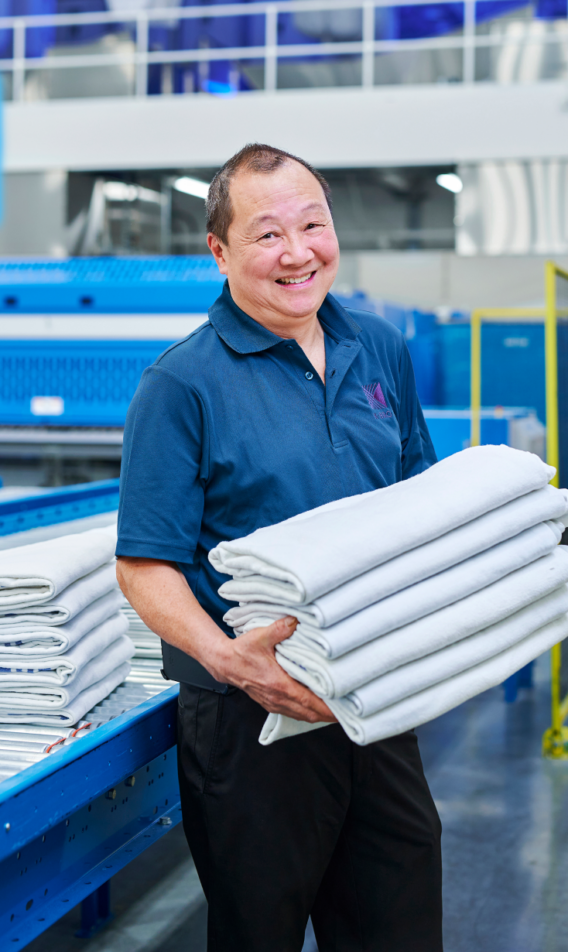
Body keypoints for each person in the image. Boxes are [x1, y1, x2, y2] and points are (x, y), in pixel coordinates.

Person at [116, 143, 443, 952]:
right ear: (220, 252)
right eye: (266, 235)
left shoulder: (381, 351)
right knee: (258, 931)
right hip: (249, 719)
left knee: (398, 924)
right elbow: (144, 564)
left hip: (370, 702)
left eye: (313, 225)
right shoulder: (182, 383)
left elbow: (421, 503)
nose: (297, 252)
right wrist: (230, 660)